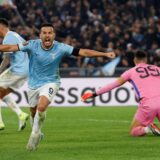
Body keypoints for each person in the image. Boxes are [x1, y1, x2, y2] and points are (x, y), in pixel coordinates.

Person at [0, 23, 115, 150]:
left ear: (54, 35)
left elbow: (83, 52)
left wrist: (104, 54)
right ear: (40, 35)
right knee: (33, 112)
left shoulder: (61, 47)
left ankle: (35, 134)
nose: (47, 35)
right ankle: (37, 130)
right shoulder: (32, 45)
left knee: (42, 106)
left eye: (50, 33)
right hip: (33, 84)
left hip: (51, 82)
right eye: (44, 33)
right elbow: (11, 47)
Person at [82, 50, 160, 137]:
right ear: (146, 60)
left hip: (148, 103)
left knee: (134, 131)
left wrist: (94, 94)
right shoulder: (157, 69)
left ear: (135, 60)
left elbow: (113, 85)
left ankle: (148, 128)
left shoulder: (130, 72)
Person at [0, 18, 29, 131]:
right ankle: (21, 114)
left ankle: (0, 122)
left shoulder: (7, 39)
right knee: (2, 93)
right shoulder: (16, 35)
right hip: (26, 71)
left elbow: (7, 59)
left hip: (17, 70)